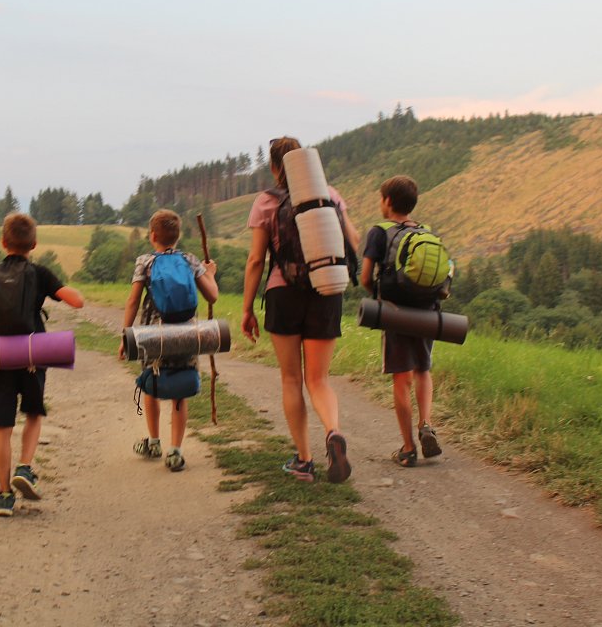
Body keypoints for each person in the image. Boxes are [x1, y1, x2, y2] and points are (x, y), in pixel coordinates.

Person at [241, 136, 359, 483]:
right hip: (326, 290)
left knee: (291, 379)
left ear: (274, 167)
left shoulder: (266, 201)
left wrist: (247, 308)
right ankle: (333, 431)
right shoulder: (329, 195)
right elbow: (353, 241)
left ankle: (304, 461)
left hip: (284, 292)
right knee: (318, 379)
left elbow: (255, 260)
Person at [0, 213, 84, 516]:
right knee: (33, 413)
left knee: (2, 426)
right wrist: (63, 291)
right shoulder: (40, 273)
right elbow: (76, 301)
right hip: (32, 355)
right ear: (34, 244)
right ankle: (25, 467)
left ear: (3, 242)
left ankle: (4, 496)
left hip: (0, 358)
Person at [118, 209, 218, 472]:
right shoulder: (190, 260)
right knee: (180, 391)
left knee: (152, 382)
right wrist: (210, 273)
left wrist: (126, 336)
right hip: (186, 335)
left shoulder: (145, 262)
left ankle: (153, 442)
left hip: (154, 336)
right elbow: (212, 296)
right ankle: (175, 451)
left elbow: (133, 301)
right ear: (178, 235)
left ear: (153, 236)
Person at [358, 175, 444, 468]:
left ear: (387, 201)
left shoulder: (379, 232)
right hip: (428, 311)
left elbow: (365, 277)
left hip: (396, 313)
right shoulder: (425, 232)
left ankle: (408, 449)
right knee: (423, 369)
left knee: (401, 378)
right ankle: (426, 423)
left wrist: (378, 297)